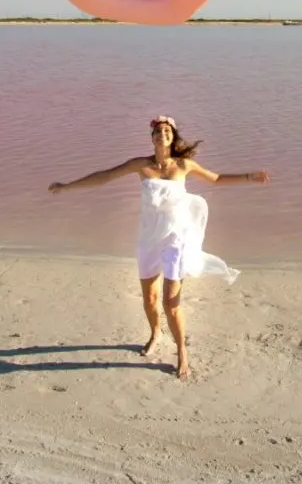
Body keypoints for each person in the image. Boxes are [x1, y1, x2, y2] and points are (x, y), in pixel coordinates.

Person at [49, 115, 270, 380]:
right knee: (150, 299)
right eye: (157, 131)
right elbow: (105, 176)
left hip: (176, 239)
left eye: (167, 131)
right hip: (148, 239)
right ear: (152, 138)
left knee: (171, 303)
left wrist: (249, 177)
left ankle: (182, 352)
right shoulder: (141, 165)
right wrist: (67, 187)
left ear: (173, 137)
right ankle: (155, 333)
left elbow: (217, 178)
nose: (161, 134)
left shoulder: (184, 165)